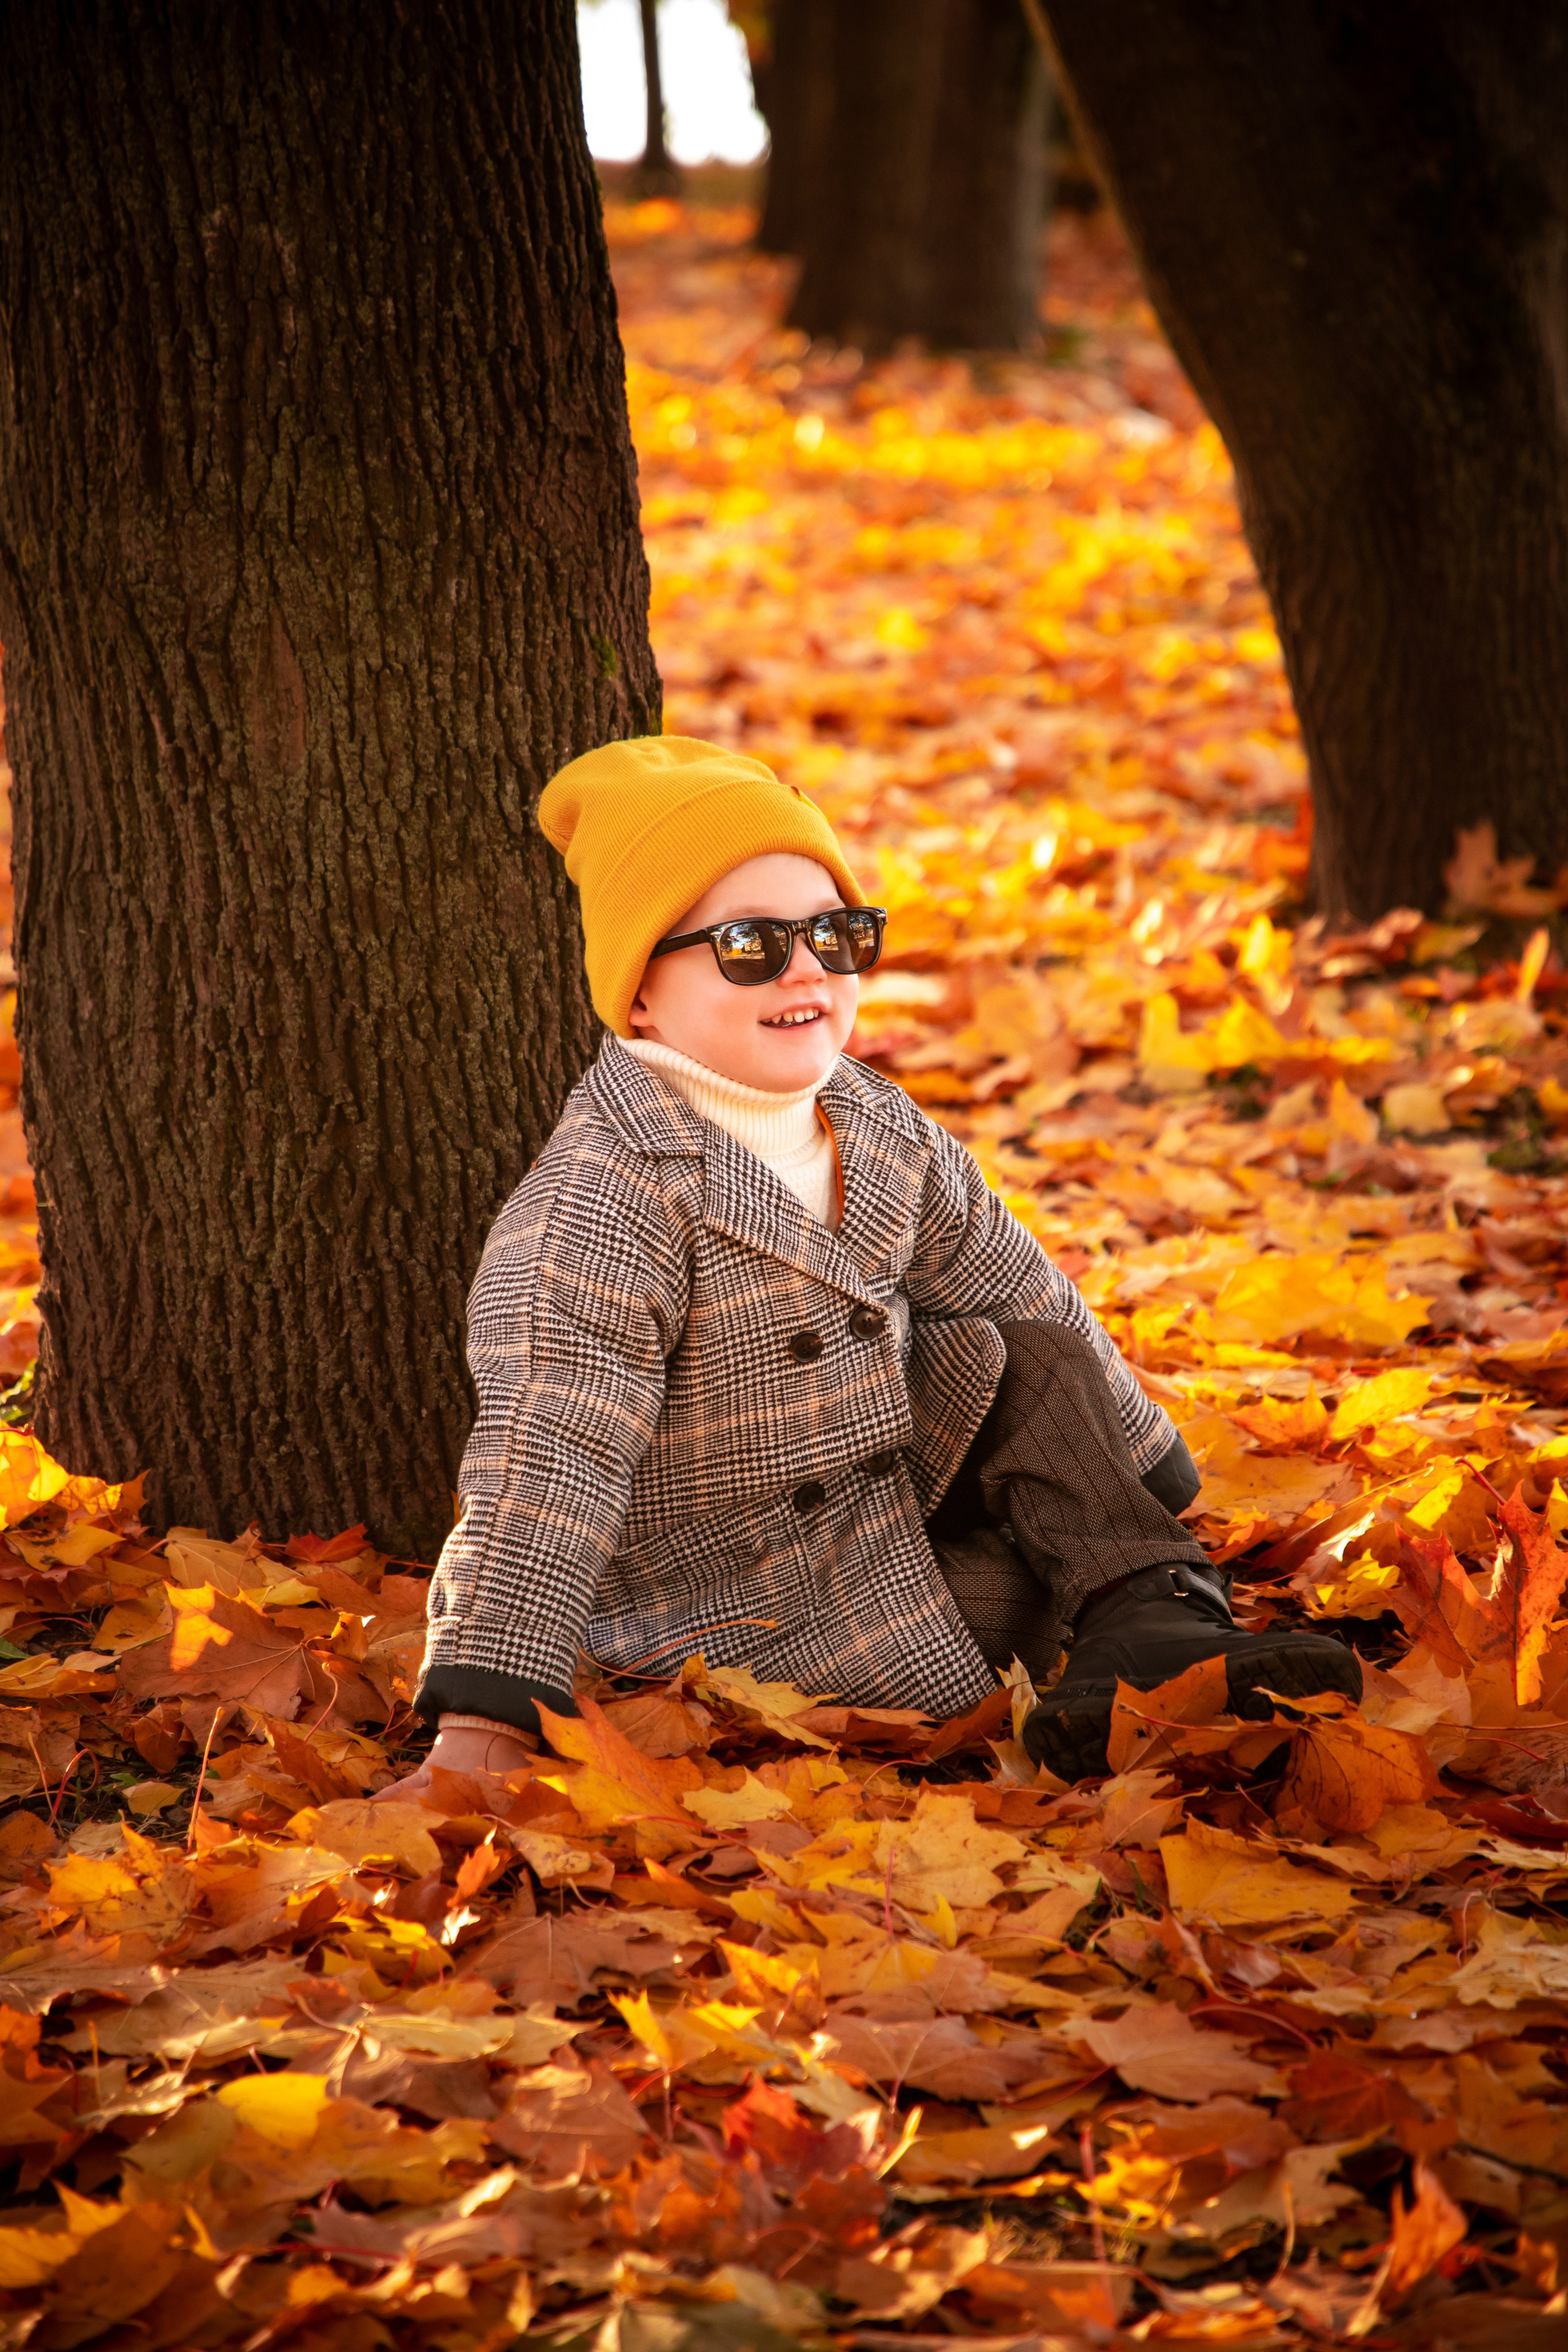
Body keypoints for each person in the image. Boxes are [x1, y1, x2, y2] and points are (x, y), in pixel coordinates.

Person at [390, 736, 1358, 1793]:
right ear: (639, 999)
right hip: (746, 1593)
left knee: (1022, 1346)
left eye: (836, 935)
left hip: (887, 1483)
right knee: (1012, 1597)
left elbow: (1010, 1280)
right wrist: (484, 1710)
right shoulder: (610, 1198)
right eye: (751, 946)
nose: (806, 968)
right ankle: (1132, 1652)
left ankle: (1154, 1610)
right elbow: (550, 1443)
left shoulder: (871, 1119)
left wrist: (1147, 1476)